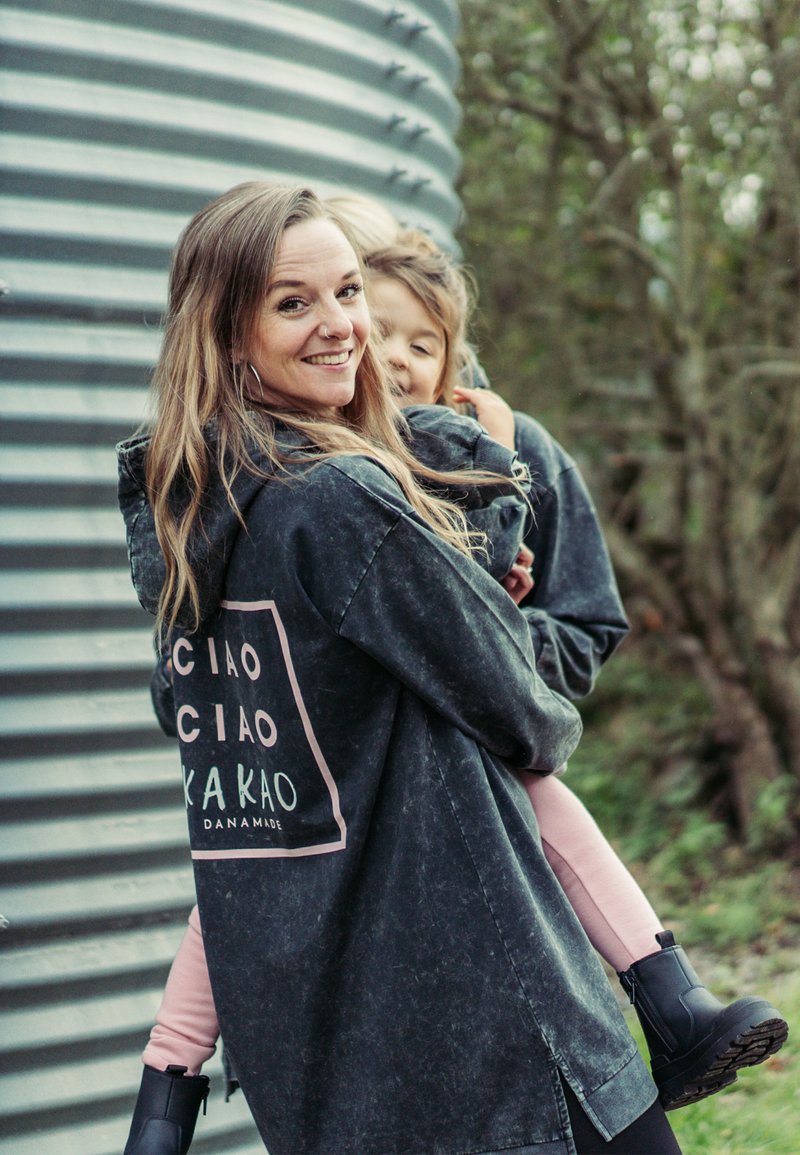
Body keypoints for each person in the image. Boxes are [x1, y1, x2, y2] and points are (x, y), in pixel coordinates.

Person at [135, 215, 788, 1147]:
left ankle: (160, 1102)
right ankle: (668, 992)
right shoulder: (344, 498)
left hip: (314, 1013)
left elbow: (194, 722)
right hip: (481, 983)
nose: (342, 325)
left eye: (346, 292)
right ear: (227, 330)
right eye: (293, 302)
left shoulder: (189, 507)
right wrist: (486, 582)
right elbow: (519, 710)